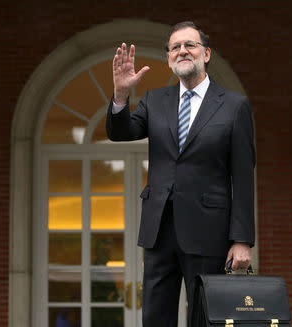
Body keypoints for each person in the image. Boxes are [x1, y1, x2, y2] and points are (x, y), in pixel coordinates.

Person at [106, 21, 255, 327]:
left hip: (209, 230)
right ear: (169, 58)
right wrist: (121, 96)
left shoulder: (234, 106)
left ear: (207, 54)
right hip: (159, 228)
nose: (182, 51)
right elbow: (122, 132)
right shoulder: (154, 101)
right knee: (155, 317)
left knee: (205, 317)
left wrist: (241, 240)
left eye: (190, 45)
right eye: (175, 47)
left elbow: (242, 176)